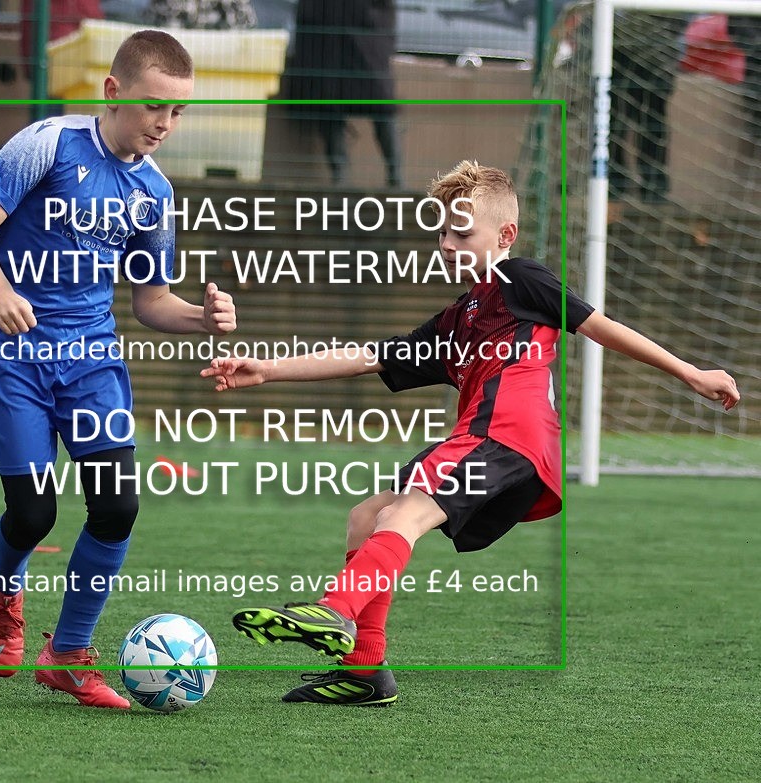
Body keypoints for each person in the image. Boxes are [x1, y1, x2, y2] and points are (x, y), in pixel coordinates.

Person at [201, 161, 739, 706]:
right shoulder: (458, 318)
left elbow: (599, 326)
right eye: (442, 231)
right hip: (493, 440)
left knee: (402, 516)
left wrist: (690, 372)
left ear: (505, 235)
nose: (447, 243)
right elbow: (369, 357)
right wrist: (269, 368)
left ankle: (335, 611)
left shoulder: (519, 279)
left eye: (463, 232)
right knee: (367, 517)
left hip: (506, 434)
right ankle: (364, 671)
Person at [0, 29, 237, 709]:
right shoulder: (46, 145)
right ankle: (4, 587)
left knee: (117, 505)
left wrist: (202, 319)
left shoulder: (155, 193)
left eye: (178, 112)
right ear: (113, 92)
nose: (166, 124)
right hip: (11, 347)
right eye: (155, 108)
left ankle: (69, 654)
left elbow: (149, 302)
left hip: (89, 355)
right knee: (34, 511)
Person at [284, 0, 401, 188]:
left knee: (381, 106)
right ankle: (341, 175)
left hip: (360, 41)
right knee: (331, 104)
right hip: (331, 41)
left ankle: (395, 175)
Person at [609, 12, 687, 203]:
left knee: (653, 121)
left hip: (659, 50)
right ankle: (614, 182)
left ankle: (653, 186)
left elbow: (681, 15)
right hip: (620, 45)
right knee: (614, 118)